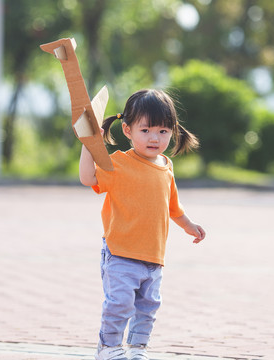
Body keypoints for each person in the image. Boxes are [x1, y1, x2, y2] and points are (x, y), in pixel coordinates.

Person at [79, 89, 206, 360]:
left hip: (154, 256)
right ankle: (109, 346)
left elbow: (173, 207)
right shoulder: (118, 163)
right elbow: (88, 178)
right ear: (127, 130)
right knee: (120, 304)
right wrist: (88, 146)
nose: (154, 138)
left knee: (148, 307)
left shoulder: (166, 166)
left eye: (163, 131)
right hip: (121, 252)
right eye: (146, 129)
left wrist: (189, 225)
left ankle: (137, 348)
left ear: (173, 131)